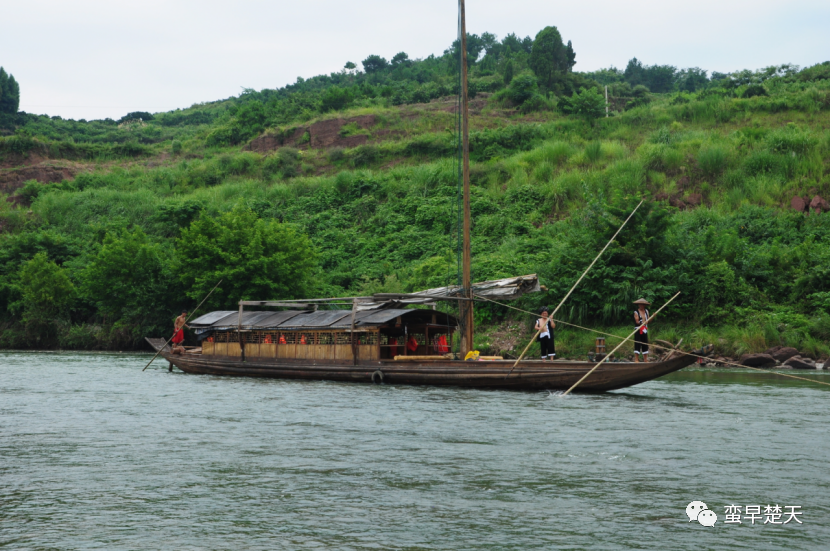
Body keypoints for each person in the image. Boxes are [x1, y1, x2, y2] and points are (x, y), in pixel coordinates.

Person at [633, 298, 651, 362]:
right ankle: (636, 359)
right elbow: (637, 321)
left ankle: (645, 359)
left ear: (644, 305)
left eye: (642, 304)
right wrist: (642, 323)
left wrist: (653, 317)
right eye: (639, 304)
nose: (640, 306)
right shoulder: (636, 312)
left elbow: (648, 321)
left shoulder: (646, 311)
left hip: (644, 329)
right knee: (637, 343)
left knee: (645, 343)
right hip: (638, 329)